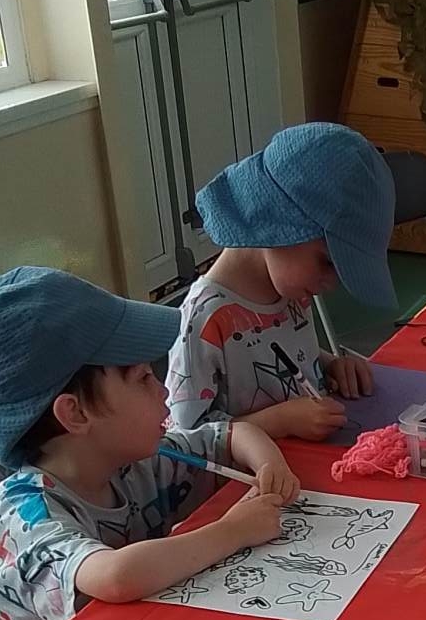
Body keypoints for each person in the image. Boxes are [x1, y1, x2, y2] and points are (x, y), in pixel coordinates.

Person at [0, 266, 299, 620]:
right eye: (143, 379)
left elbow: (232, 435)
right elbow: (117, 577)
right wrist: (233, 531)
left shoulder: (130, 459)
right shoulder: (23, 518)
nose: (164, 391)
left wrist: (269, 465)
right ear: (76, 414)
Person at [167, 122, 397, 443]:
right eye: (328, 262)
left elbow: (280, 349)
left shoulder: (289, 290)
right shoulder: (204, 319)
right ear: (280, 223)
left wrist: (329, 365)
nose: (333, 283)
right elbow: (185, 438)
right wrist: (279, 422)